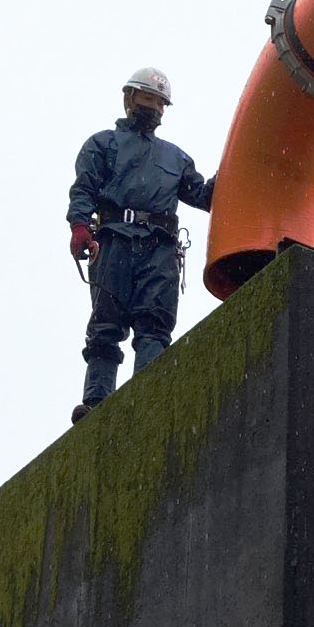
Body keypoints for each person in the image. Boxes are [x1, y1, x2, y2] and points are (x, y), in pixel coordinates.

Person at [64, 67, 216, 424]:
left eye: (161, 103)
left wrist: (238, 167)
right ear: (130, 98)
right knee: (105, 327)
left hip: (159, 249)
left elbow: (204, 196)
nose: (155, 108)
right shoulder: (102, 144)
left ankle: (148, 397)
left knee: (155, 326)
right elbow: (84, 189)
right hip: (113, 242)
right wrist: (80, 226)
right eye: (149, 99)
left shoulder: (176, 158)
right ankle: (97, 404)